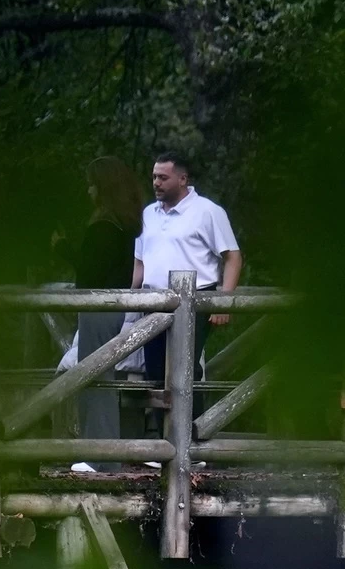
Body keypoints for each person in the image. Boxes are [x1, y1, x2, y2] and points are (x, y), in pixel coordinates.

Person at [130, 150, 241, 413]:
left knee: (185, 369)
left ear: (182, 179)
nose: (156, 182)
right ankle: (160, 445)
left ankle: (193, 440)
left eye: (163, 177)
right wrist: (127, 298)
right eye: (154, 177)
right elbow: (140, 263)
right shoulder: (148, 214)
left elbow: (233, 257)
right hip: (152, 300)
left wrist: (223, 302)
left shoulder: (208, 212)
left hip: (194, 301)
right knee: (155, 372)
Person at [67, 157, 146, 447]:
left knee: (94, 379)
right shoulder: (125, 224)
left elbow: (89, 270)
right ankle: (99, 450)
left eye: (92, 185)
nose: (88, 191)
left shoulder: (104, 227)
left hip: (98, 308)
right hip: (111, 306)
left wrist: (63, 249)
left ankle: (99, 453)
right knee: (98, 377)